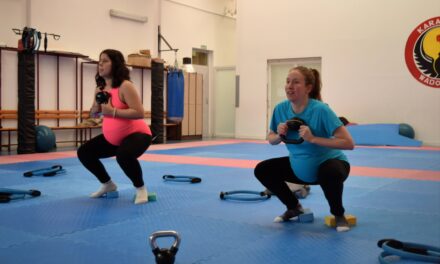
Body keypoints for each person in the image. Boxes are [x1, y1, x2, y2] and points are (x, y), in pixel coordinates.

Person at [254, 66, 355, 231]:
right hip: (299, 167)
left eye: (295, 82)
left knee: (330, 171)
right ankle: (294, 207)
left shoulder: (321, 110)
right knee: (263, 169)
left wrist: (313, 138)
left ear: (308, 88)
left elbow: (348, 143)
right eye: (287, 82)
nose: (289, 86)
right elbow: (271, 139)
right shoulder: (280, 109)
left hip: (330, 164)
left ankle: (338, 215)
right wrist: (279, 135)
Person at [77, 49, 152, 205]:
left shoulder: (125, 86)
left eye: (105, 61)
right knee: (84, 152)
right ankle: (108, 185)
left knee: (123, 155)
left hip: (138, 134)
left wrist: (113, 112)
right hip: (113, 138)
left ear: (116, 64)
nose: (100, 64)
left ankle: (141, 189)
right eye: (100, 61)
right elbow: (95, 114)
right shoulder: (100, 88)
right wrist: (96, 108)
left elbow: (139, 113)